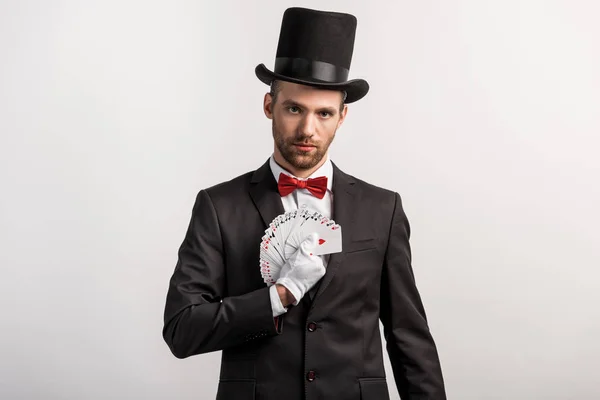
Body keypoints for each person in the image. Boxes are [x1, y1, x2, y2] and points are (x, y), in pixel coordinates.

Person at [162, 7, 446, 400]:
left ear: (342, 117)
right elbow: (182, 329)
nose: (307, 130)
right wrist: (277, 297)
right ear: (269, 106)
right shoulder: (218, 206)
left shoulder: (383, 209)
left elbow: (408, 337)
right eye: (294, 108)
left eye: (324, 113)